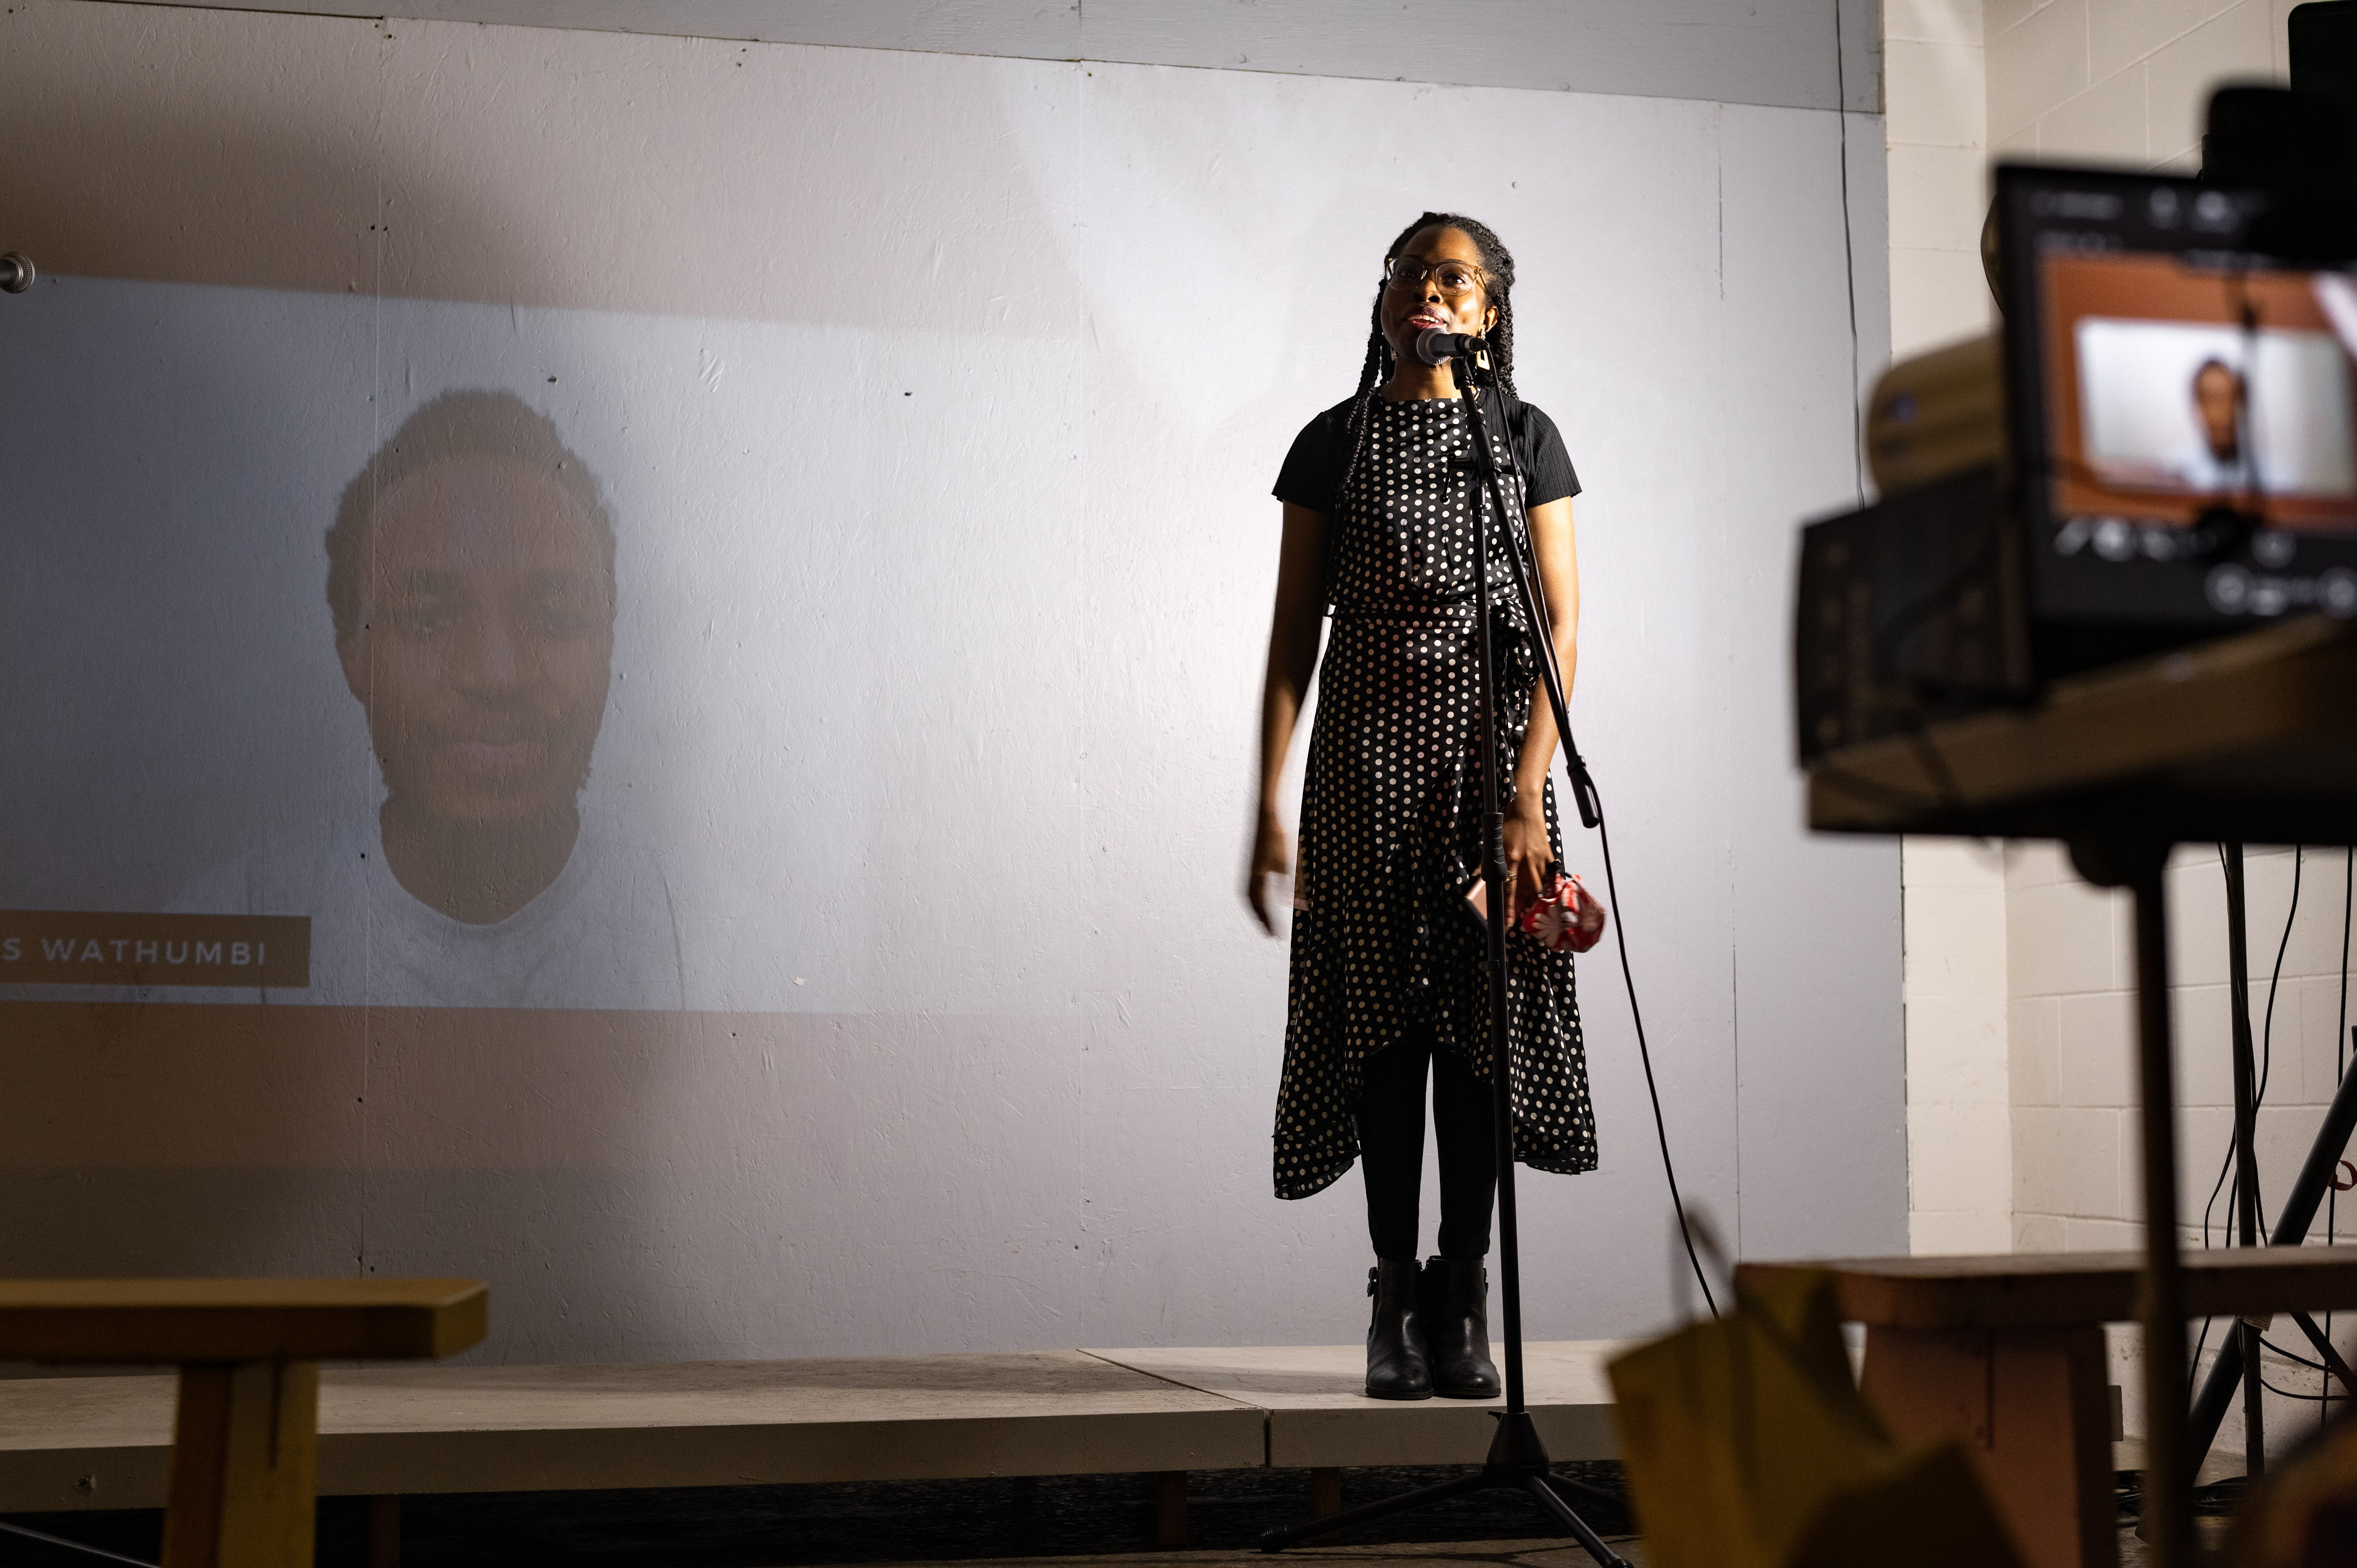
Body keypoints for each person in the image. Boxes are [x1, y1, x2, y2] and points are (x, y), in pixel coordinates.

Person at [1245, 214, 1595, 1402]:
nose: (1428, 292)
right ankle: (1391, 1290)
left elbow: (1560, 623)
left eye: (1455, 278)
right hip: (1360, 759)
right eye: (1410, 273)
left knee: (1480, 1030)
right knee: (1385, 1032)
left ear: (1489, 310)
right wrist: (1264, 801)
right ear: (1383, 295)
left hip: (1491, 760)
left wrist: (1527, 794)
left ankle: (1464, 1285)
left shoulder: (1521, 439)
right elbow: (1294, 631)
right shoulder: (1332, 442)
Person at [170, 389, 684, 1007]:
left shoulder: (707, 939)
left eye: (554, 617)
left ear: (608, 646)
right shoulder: (232, 930)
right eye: (426, 620)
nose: (499, 675)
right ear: (353, 657)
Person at [2173, 357, 2253, 492]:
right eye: (2213, 400)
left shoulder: (2274, 478)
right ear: (2197, 407)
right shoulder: (2175, 475)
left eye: (2231, 399)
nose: (2224, 412)